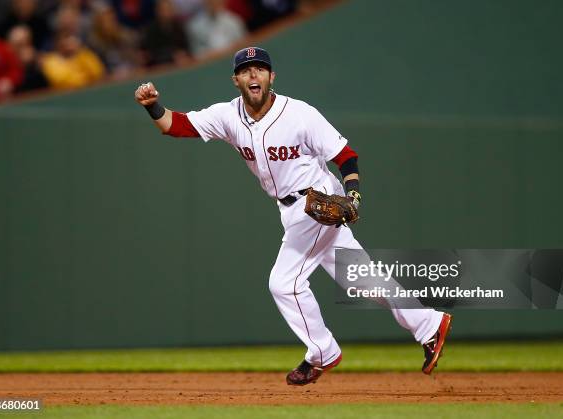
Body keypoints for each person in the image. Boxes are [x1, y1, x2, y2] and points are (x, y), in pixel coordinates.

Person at [134, 47, 452, 385]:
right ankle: (428, 324)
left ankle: (322, 352)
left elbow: (345, 155)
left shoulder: (300, 114)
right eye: (246, 70)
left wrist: (354, 195)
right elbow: (176, 126)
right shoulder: (228, 116)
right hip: (290, 211)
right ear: (236, 79)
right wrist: (153, 105)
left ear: (272, 77)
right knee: (361, 280)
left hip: (318, 206)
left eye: (260, 69)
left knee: (284, 283)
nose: (253, 74)